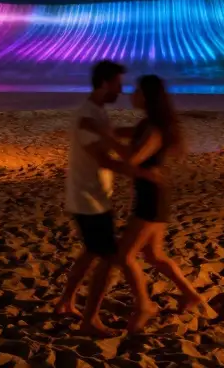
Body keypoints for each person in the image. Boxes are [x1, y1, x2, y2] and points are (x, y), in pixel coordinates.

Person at [53, 60, 152, 336]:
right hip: (89, 200)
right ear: (105, 83)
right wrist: (139, 171)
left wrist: (145, 130)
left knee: (90, 253)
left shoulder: (96, 113)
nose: (121, 91)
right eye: (118, 85)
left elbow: (108, 138)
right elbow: (102, 159)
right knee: (109, 258)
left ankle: (65, 301)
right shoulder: (89, 116)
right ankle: (90, 321)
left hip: (93, 196)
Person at [107, 75, 204, 334]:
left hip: (152, 198)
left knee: (125, 256)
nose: (132, 94)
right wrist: (100, 129)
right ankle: (190, 295)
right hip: (152, 194)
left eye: (137, 91)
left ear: (147, 96)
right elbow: (120, 133)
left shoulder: (154, 128)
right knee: (154, 255)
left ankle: (144, 307)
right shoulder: (145, 124)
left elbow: (132, 161)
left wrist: (110, 143)